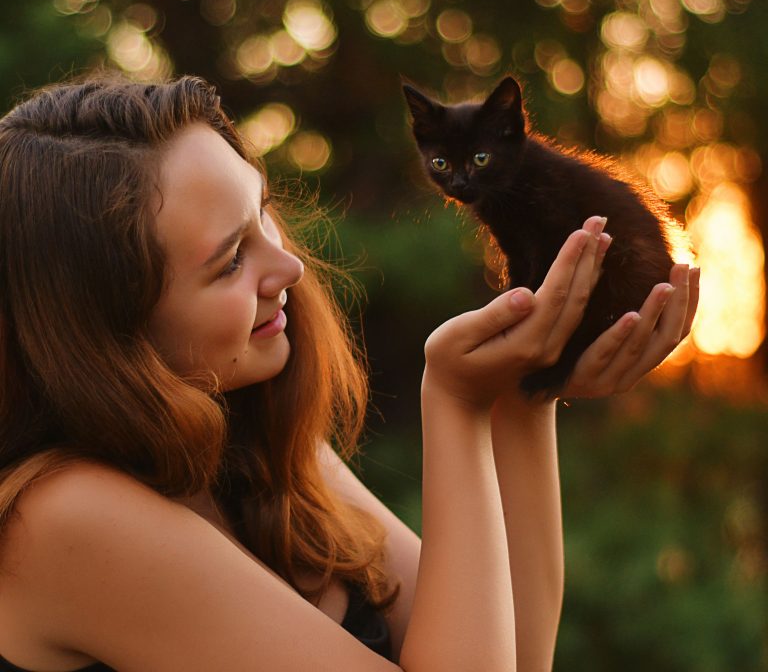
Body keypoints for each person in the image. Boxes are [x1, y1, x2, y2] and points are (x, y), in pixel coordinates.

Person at [0, 75, 698, 672]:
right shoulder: (60, 518)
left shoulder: (267, 452)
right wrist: (453, 403)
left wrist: (524, 388)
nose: (288, 265)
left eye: (264, 212)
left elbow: (513, 650)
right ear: (107, 329)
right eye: (229, 260)